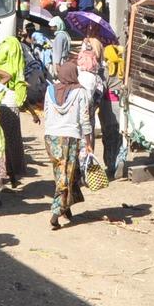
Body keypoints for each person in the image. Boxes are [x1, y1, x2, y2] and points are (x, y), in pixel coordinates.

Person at [42, 57, 93, 230]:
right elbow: (85, 120)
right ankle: (56, 213)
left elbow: (46, 113)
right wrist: (88, 141)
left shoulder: (49, 90)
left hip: (51, 137)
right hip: (70, 138)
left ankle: (66, 207)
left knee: (64, 173)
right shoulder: (81, 92)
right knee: (66, 175)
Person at [0, 32, 29, 188]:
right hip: (14, 104)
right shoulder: (18, 61)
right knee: (12, 142)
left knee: (1, 143)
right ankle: (13, 176)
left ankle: (3, 177)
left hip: (2, 105)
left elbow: (3, 76)